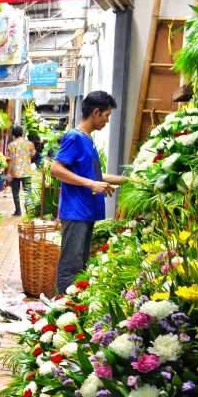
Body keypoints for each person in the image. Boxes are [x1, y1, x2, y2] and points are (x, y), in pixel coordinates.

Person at [50, 91, 125, 294]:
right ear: (96, 112)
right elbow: (56, 169)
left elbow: (95, 175)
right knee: (71, 265)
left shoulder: (87, 139)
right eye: (107, 115)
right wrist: (91, 184)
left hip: (85, 212)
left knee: (80, 264)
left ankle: (72, 312)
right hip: (76, 212)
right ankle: (62, 310)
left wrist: (127, 179)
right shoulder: (74, 137)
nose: (107, 121)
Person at [5, 125, 36, 216]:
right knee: (28, 192)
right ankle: (29, 212)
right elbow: (33, 154)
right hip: (27, 171)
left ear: (13, 134)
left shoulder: (11, 145)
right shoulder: (30, 144)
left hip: (15, 172)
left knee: (15, 192)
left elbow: (11, 159)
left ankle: (18, 211)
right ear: (22, 133)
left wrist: (8, 173)